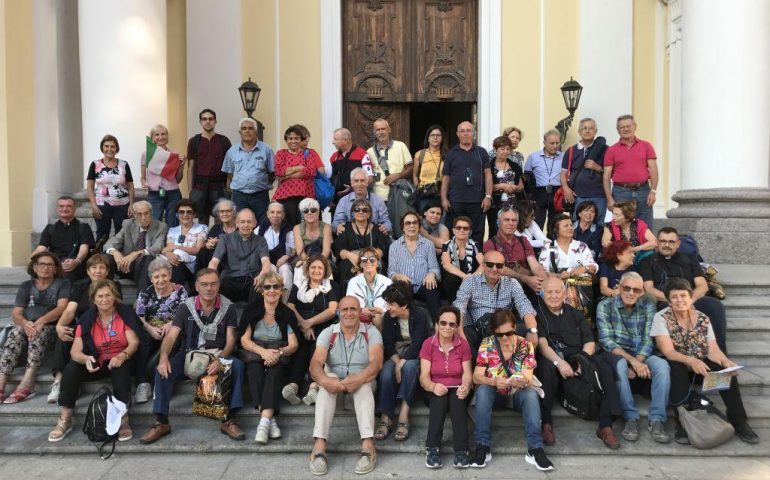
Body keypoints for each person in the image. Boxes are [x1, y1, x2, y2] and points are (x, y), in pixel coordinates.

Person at [140, 269, 246, 444]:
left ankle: (229, 420)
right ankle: (161, 422)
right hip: (189, 354)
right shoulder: (186, 307)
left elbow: (230, 341)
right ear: (196, 286)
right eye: (204, 284)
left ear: (219, 285)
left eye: (213, 284)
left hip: (216, 353)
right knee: (164, 369)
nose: (209, 288)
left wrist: (220, 360)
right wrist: (163, 358)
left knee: (237, 365)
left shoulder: (229, 307)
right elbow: (171, 336)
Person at [652, 277, 759, 444]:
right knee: (675, 366)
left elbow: (713, 349)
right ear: (669, 300)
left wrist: (726, 363)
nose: (679, 300)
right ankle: (683, 421)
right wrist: (691, 361)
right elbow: (669, 352)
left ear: (690, 297)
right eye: (674, 297)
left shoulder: (702, 317)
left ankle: (738, 421)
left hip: (700, 368)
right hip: (678, 364)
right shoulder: (661, 318)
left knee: (726, 373)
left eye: (683, 295)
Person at [534, 276, 621, 449]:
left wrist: (581, 360)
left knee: (605, 368)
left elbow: (589, 342)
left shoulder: (576, 313)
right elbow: (542, 345)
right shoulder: (537, 314)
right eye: (549, 292)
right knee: (546, 368)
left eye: (557, 291)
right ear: (542, 294)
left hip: (579, 355)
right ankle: (546, 423)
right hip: (553, 358)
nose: (553, 296)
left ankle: (605, 426)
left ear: (565, 293)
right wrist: (560, 363)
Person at [47, 280, 140, 442]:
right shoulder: (87, 319)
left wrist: (122, 355)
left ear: (114, 297)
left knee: (122, 369)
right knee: (72, 367)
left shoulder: (124, 314)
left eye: (108, 295)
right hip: (96, 360)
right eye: (100, 296)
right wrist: (86, 358)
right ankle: (65, 419)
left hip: (118, 359)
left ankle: (123, 420)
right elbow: (75, 351)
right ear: (94, 299)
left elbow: (134, 343)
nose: (104, 299)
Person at [470, 309, 554, 472]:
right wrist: (494, 381)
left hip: (517, 394)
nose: (505, 338)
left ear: (515, 327)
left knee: (530, 393)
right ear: (494, 332)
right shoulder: (487, 344)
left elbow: (528, 377)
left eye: (509, 332)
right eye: (500, 335)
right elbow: (476, 377)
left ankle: (535, 449)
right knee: (483, 390)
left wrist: (522, 381)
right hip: (495, 395)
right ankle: (482, 446)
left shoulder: (525, 345)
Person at [308, 297, 384, 476]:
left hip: (362, 384)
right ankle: (319, 446)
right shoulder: (329, 333)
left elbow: (376, 363)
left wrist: (359, 378)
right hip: (336, 389)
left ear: (360, 312)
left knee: (364, 383)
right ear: (338, 312)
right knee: (328, 378)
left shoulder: (371, 332)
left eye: (353, 309)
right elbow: (315, 364)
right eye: (345, 309)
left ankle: (368, 445)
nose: (349, 313)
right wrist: (326, 381)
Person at [595, 272, 671, 444]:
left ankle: (657, 419)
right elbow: (606, 341)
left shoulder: (647, 306)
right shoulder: (605, 305)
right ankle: (630, 418)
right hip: (618, 354)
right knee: (620, 365)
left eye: (636, 290)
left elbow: (649, 339)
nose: (631, 293)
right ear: (619, 288)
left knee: (662, 366)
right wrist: (633, 362)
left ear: (642, 292)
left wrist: (638, 361)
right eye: (626, 288)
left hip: (641, 354)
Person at [639, 227, 728, 352]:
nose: (666, 245)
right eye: (663, 241)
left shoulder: (690, 260)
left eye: (671, 242)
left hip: (690, 299)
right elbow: (649, 289)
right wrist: (675, 301)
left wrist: (689, 301)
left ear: (678, 244)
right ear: (657, 243)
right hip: (664, 301)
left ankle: (719, 355)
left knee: (715, 306)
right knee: (660, 309)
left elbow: (702, 286)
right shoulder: (647, 262)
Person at [49, 254, 121, 404]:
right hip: (83, 329)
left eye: (102, 267)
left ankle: (74, 379)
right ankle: (59, 380)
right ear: (88, 271)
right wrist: (59, 326)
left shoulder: (114, 286)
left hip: (104, 330)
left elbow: (115, 312)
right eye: (94, 267)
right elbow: (70, 310)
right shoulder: (80, 286)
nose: (98, 271)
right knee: (65, 334)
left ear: (107, 272)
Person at [0, 253, 69, 404]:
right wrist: (25, 323)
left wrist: (41, 321)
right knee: (16, 330)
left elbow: (62, 307)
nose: (45, 267)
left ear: (56, 269)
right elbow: (16, 313)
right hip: (28, 326)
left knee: (39, 332)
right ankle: (2, 381)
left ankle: (28, 380)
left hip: (50, 329)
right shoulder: (26, 286)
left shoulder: (62, 284)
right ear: (35, 267)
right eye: (42, 264)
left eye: (50, 265)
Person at [240, 271, 299, 444]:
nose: (272, 290)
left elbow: (293, 344)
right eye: (267, 286)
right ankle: (268, 420)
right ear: (262, 290)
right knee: (254, 369)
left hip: (278, 353)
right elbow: (244, 340)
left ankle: (263, 422)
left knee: (274, 372)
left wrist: (278, 353)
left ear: (281, 290)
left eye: (276, 286)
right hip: (256, 352)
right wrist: (263, 352)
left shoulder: (287, 312)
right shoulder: (252, 309)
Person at [375, 281, 432, 443]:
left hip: (417, 354)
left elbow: (419, 343)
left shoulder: (419, 314)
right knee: (386, 371)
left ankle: (404, 415)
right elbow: (387, 343)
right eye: (387, 303)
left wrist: (401, 363)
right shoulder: (388, 317)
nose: (388, 307)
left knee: (409, 367)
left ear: (404, 305)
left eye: (391, 304)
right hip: (396, 353)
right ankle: (386, 416)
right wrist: (396, 361)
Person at [453, 250, 539, 354]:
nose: (494, 269)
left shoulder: (511, 283)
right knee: (464, 339)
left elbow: (523, 304)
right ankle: (482, 368)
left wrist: (532, 330)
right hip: (477, 330)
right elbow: (459, 306)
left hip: (503, 329)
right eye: (490, 265)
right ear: (483, 266)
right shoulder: (471, 281)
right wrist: (461, 335)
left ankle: (517, 367)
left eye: (499, 266)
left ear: (503, 268)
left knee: (531, 331)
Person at [419, 306, 472, 469]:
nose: (447, 327)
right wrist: (433, 386)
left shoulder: (463, 344)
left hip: (457, 386)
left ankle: (461, 450)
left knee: (457, 402)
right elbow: (423, 377)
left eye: (452, 324)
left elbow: (467, 373)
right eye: (443, 323)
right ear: (437, 324)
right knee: (439, 401)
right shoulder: (428, 344)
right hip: (435, 388)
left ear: (456, 327)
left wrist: (466, 386)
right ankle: (432, 448)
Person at [285, 256, 340, 406]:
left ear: (325, 271)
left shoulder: (331, 286)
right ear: (308, 269)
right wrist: (303, 324)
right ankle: (293, 386)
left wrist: (310, 323)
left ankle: (313, 387)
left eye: (320, 268)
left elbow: (332, 310)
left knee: (317, 345)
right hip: (300, 326)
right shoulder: (299, 285)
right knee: (301, 347)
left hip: (323, 325)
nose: (316, 270)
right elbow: (290, 306)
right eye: (313, 267)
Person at [133, 257, 188, 403]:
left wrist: (170, 324)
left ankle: (161, 380)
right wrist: (150, 329)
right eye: (156, 277)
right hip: (151, 330)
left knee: (175, 337)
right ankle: (143, 383)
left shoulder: (180, 291)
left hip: (173, 328)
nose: (160, 280)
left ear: (170, 275)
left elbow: (183, 313)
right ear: (151, 279)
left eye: (164, 276)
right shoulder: (145, 293)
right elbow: (139, 317)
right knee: (141, 338)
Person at [441, 121, 493, 246]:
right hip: (456, 201)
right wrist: (444, 198)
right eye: (462, 131)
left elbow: (488, 174)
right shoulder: (451, 154)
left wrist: (488, 197)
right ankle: (456, 260)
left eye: (468, 130)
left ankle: (476, 262)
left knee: (477, 233)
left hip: (478, 202)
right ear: (457, 134)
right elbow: (446, 178)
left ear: (473, 134)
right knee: (456, 232)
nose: (465, 133)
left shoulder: (482, 152)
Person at [603, 114, 659, 229]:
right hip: (621, 192)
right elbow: (606, 176)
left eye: (628, 126)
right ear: (618, 130)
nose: (625, 129)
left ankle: (646, 248)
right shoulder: (611, 150)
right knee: (622, 227)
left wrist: (653, 191)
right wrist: (609, 198)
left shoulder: (646, 146)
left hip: (643, 191)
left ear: (635, 126)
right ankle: (626, 248)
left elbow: (653, 169)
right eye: (622, 127)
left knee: (645, 226)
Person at [208, 208, 271, 303]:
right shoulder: (225, 239)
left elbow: (266, 262)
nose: (246, 225)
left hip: (252, 281)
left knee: (260, 287)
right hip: (230, 280)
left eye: (249, 222)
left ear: (254, 224)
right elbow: (214, 261)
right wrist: (212, 277)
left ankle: (252, 317)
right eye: (242, 222)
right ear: (236, 223)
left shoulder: (261, 240)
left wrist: (262, 275)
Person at [104, 200, 169, 291]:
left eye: (146, 213)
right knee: (106, 257)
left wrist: (137, 253)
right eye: (139, 214)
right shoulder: (128, 224)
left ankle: (141, 299)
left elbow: (157, 247)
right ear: (134, 215)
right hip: (124, 265)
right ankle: (105, 292)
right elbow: (111, 243)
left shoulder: (161, 226)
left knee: (149, 258)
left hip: (144, 267)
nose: (143, 217)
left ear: (151, 213)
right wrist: (115, 253)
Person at [388, 211, 441, 320]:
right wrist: (398, 276)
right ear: (402, 227)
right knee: (400, 288)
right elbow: (391, 272)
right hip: (405, 285)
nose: (412, 226)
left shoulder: (428, 244)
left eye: (415, 223)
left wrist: (431, 274)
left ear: (419, 226)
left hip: (424, 285)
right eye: (408, 223)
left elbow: (435, 268)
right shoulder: (394, 246)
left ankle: (437, 322)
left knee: (432, 286)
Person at [222, 117, 275, 224]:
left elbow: (272, 172)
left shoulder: (266, 149)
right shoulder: (232, 151)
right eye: (244, 128)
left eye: (250, 128)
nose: (247, 131)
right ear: (240, 132)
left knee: (263, 223)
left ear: (256, 131)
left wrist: (261, 184)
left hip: (260, 195)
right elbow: (229, 174)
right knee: (240, 223)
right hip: (239, 195)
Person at [483, 207, 546, 297]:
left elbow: (535, 265)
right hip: (500, 289)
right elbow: (498, 268)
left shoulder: (523, 241)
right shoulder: (490, 244)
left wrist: (545, 284)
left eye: (514, 220)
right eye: (506, 220)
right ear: (498, 222)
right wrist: (526, 279)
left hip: (525, 287)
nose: (511, 223)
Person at [186, 108, 233, 226]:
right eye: (204, 119)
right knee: (202, 221)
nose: (208, 121)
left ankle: (219, 244)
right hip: (199, 187)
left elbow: (229, 166)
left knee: (221, 220)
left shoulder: (224, 141)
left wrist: (227, 187)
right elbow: (191, 167)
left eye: (211, 119)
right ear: (200, 122)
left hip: (219, 187)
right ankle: (203, 244)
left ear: (215, 121)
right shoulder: (194, 141)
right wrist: (191, 191)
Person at [332, 199, 391, 291]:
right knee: (344, 265)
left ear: (369, 214)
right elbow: (340, 250)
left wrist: (365, 259)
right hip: (351, 261)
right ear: (352, 213)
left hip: (372, 259)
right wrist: (351, 256)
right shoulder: (345, 228)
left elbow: (381, 250)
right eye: (357, 210)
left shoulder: (377, 229)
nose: (361, 212)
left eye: (365, 210)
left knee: (380, 264)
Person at [273, 125, 326, 226]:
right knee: (289, 226)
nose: (293, 141)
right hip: (286, 196)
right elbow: (279, 171)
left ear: (301, 140)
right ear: (286, 140)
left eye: (296, 138)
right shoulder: (281, 153)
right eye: (290, 138)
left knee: (309, 226)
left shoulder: (308, 154)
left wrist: (287, 175)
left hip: (306, 194)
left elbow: (311, 172)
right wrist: (299, 167)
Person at [33, 195, 95, 281]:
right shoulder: (50, 228)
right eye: (61, 206)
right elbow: (41, 248)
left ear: (75, 209)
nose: (64, 209)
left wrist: (77, 261)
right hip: (54, 263)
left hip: (75, 264)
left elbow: (84, 248)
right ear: (57, 209)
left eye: (69, 206)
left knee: (66, 275)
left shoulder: (83, 227)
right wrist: (30, 259)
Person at [87, 134, 135, 241]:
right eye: (106, 146)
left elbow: (130, 186)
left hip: (122, 205)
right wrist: (93, 205)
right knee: (102, 234)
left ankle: (121, 257)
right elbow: (90, 187)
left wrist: (131, 204)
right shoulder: (95, 164)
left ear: (116, 148)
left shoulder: (124, 164)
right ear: (102, 148)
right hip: (102, 205)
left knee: (122, 234)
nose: (109, 149)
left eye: (112, 146)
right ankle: (101, 257)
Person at [559, 118, 608, 221]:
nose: (587, 131)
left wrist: (597, 167)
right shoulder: (571, 150)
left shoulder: (605, 149)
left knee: (598, 228)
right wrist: (566, 189)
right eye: (584, 128)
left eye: (591, 128)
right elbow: (563, 173)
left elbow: (612, 173)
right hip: (577, 196)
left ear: (596, 131)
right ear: (579, 131)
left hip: (599, 196)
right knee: (576, 227)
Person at [141, 124, 186, 227]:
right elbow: (143, 177)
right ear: (152, 138)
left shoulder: (174, 155)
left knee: (173, 224)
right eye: (157, 134)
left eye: (163, 134)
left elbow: (178, 180)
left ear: (167, 136)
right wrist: (144, 183)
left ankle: (170, 243)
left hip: (173, 194)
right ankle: (158, 243)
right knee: (155, 223)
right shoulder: (146, 154)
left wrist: (182, 166)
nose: (160, 137)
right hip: (155, 194)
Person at [367, 118, 413, 209]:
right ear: (375, 132)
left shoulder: (401, 146)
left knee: (398, 222)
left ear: (389, 130)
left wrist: (398, 175)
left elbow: (411, 168)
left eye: (383, 129)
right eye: (378, 130)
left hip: (399, 194)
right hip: (378, 197)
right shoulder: (369, 152)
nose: (381, 132)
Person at [161, 199, 208, 287]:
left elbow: (198, 250)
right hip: (173, 263)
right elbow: (168, 248)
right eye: (181, 212)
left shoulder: (202, 228)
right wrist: (168, 254)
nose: (185, 215)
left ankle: (176, 295)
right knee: (173, 263)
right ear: (177, 215)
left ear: (194, 214)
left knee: (176, 265)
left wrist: (178, 247)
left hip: (192, 267)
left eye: (189, 212)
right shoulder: (173, 230)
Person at [332, 168, 391, 236]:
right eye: (356, 181)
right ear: (352, 183)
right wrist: (338, 227)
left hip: (373, 237)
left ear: (367, 182)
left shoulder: (378, 200)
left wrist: (386, 227)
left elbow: (386, 222)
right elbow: (336, 222)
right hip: (350, 238)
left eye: (362, 180)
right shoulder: (343, 201)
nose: (359, 184)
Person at [255, 202, 296, 301]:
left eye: (279, 212)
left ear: (283, 215)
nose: (275, 215)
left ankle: (285, 302)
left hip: (284, 261)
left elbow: (294, 250)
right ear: (268, 214)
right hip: (266, 261)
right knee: (270, 269)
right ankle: (271, 302)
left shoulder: (289, 229)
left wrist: (286, 256)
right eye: (272, 212)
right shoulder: (260, 229)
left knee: (285, 270)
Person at [328, 128, 374, 215]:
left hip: (357, 202)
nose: (333, 142)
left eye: (335, 139)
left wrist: (353, 188)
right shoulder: (333, 157)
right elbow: (327, 179)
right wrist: (328, 198)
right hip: (336, 203)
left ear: (345, 140)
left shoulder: (362, 154)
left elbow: (370, 178)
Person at [524, 130, 563, 232]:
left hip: (557, 192)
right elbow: (527, 176)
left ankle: (554, 246)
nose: (555, 146)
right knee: (537, 222)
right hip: (539, 192)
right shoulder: (533, 157)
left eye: (557, 143)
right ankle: (537, 247)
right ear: (544, 142)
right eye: (552, 143)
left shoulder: (563, 157)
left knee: (556, 223)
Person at [538, 213, 598, 277]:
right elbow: (542, 272)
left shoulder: (581, 246)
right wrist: (559, 276)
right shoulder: (548, 247)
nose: (570, 228)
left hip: (579, 284)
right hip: (556, 284)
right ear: (556, 230)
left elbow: (594, 267)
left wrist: (584, 268)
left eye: (571, 225)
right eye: (566, 226)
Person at [346, 247, 392, 328]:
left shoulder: (387, 282)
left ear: (377, 263)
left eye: (372, 259)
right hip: (359, 316)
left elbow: (392, 306)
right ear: (360, 264)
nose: (368, 262)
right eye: (364, 259)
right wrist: (361, 310)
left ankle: (380, 340)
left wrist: (382, 311)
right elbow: (349, 305)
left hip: (381, 318)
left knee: (377, 318)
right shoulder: (353, 282)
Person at [440, 216, 484, 303]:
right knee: (451, 278)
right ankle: (454, 305)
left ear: (470, 232)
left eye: (466, 228)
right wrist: (465, 276)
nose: (462, 230)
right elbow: (446, 265)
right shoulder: (447, 245)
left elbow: (483, 264)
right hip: (452, 284)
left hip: (471, 281)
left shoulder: (475, 245)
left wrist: (472, 277)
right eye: (458, 227)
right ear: (453, 230)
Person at [488, 135, 525, 237]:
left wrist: (515, 188)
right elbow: (486, 186)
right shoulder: (489, 166)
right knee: (494, 230)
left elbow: (521, 186)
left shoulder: (515, 166)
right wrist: (502, 186)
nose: (505, 151)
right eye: (502, 149)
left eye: (507, 149)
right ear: (495, 149)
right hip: (495, 205)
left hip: (512, 203)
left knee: (512, 230)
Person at [601, 200, 656, 265]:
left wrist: (636, 249)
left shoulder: (639, 224)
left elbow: (654, 242)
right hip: (619, 257)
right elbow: (605, 242)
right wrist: (623, 250)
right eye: (613, 213)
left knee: (649, 254)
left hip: (637, 256)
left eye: (617, 215)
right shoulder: (609, 225)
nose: (613, 217)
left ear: (627, 218)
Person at [292, 198, 332, 285]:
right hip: (304, 258)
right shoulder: (297, 228)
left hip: (323, 258)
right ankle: (299, 295)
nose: (309, 213)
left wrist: (317, 263)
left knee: (324, 267)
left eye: (313, 210)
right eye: (305, 211)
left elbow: (326, 251)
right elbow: (300, 252)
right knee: (300, 267)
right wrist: (310, 263)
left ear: (318, 213)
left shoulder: (326, 227)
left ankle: (326, 295)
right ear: (302, 214)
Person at [412, 124, 446, 215]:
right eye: (432, 135)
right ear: (428, 138)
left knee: (439, 221)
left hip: (440, 195)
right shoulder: (420, 154)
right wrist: (418, 188)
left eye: (438, 135)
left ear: (442, 138)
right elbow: (415, 175)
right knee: (423, 221)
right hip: (424, 195)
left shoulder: (447, 155)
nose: (435, 137)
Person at [197, 198, 236, 270]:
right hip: (216, 259)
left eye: (228, 211)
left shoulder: (239, 228)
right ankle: (201, 277)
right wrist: (209, 244)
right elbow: (208, 242)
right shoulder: (216, 228)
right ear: (218, 214)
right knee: (203, 252)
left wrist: (221, 243)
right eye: (222, 211)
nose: (225, 214)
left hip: (234, 257)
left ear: (233, 212)